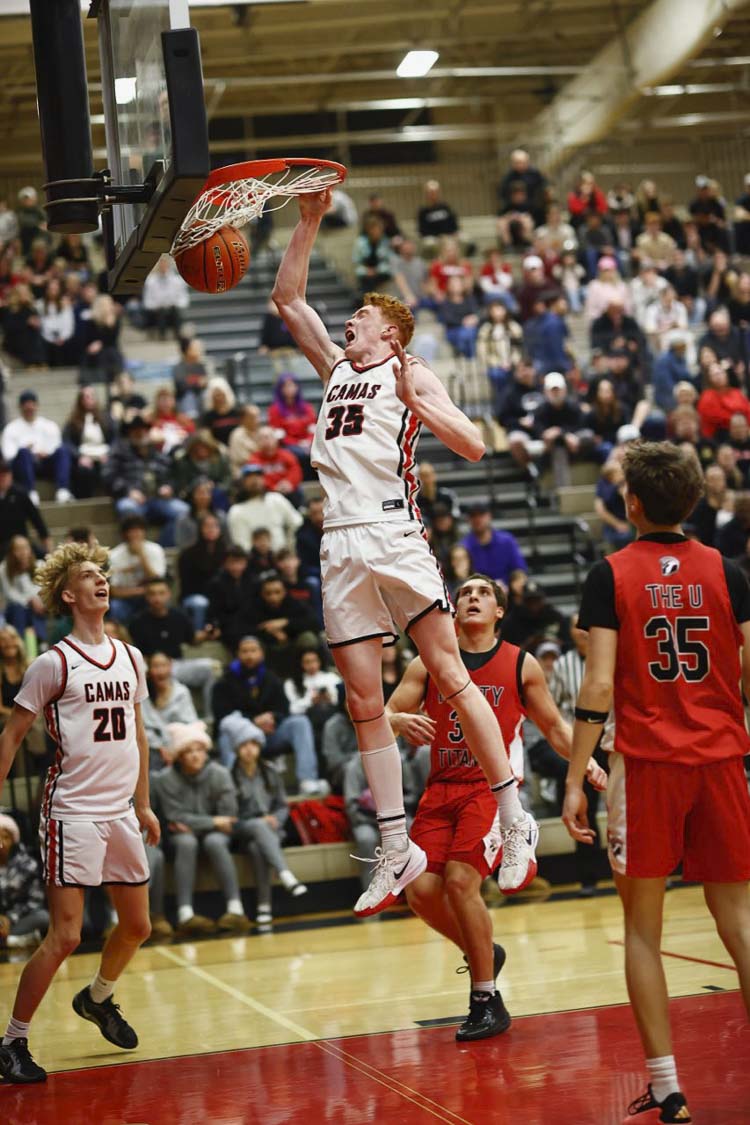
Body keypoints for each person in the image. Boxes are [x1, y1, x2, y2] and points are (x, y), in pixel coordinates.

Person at [272, 187, 539, 917]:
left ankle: (513, 814)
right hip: (339, 540)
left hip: (394, 531)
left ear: (390, 332)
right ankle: (395, 842)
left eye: (362, 315)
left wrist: (422, 403)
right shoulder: (335, 368)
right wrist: (309, 220)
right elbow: (288, 300)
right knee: (364, 699)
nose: (349, 320)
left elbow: (475, 442)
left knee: (449, 673)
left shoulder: (408, 371)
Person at [562, 441, 750, 1124]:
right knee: (740, 922)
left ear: (631, 503)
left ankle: (669, 1089)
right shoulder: (727, 570)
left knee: (643, 928)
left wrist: (575, 773)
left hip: (647, 768)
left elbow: (601, 681)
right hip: (723, 760)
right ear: (695, 500)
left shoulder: (609, 573)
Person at [387, 575, 606, 1040]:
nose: (472, 598)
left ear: (499, 612)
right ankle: (483, 948)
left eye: (483, 593)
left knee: (461, 882)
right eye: (464, 593)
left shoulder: (521, 664)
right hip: (439, 789)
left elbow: (554, 727)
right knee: (421, 893)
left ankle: (486, 999)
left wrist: (586, 767)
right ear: (452, 608)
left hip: (489, 791)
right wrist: (397, 719)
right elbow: (381, 717)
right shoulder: (427, 664)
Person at [0, 541, 160, 1084]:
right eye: (90, 575)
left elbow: (137, 734)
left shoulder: (130, 656)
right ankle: (12, 1042)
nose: (102, 580)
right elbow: (14, 734)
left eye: (104, 574)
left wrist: (142, 803)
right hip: (70, 810)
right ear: (69, 594)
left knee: (138, 925)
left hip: (119, 810)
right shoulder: (53, 663)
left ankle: (98, 998)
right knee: (65, 935)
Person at [152, 721, 251, 935]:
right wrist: (213, 822)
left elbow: (229, 815)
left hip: (217, 835)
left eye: (199, 750)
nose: (195, 755)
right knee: (186, 841)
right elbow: (174, 816)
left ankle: (236, 910)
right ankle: (185, 914)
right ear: (179, 756)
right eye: (188, 751)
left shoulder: (220, 774)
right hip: (180, 836)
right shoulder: (164, 780)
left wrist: (198, 824)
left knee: (214, 841)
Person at [225, 713, 307, 927]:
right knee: (255, 832)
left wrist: (276, 819)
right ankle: (285, 873)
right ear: (236, 749)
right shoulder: (228, 776)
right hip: (241, 829)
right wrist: (257, 821)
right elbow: (229, 814)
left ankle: (264, 907)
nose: (249, 749)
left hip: (269, 831)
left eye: (253, 744)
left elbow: (281, 805)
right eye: (244, 745)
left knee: (257, 848)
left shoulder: (270, 772)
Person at [1, 389, 73, 506]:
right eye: (26, 405)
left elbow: (56, 446)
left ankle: (63, 491)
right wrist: (28, 452)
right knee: (24, 452)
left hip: (45, 464)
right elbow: (8, 456)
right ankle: (31, 493)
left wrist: (45, 453)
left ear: (37, 406)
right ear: (20, 407)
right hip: (22, 466)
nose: (29, 408)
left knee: (64, 450)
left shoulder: (49, 425)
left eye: (32, 404)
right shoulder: (11, 429)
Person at [0, 812, 49, 951]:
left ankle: (9, 940)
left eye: (5, 837)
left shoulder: (27, 864)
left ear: (14, 840)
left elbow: (35, 900)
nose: (1, 843)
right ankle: (15, 941)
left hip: (18, 920)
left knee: (43, 917)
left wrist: (10, 918)